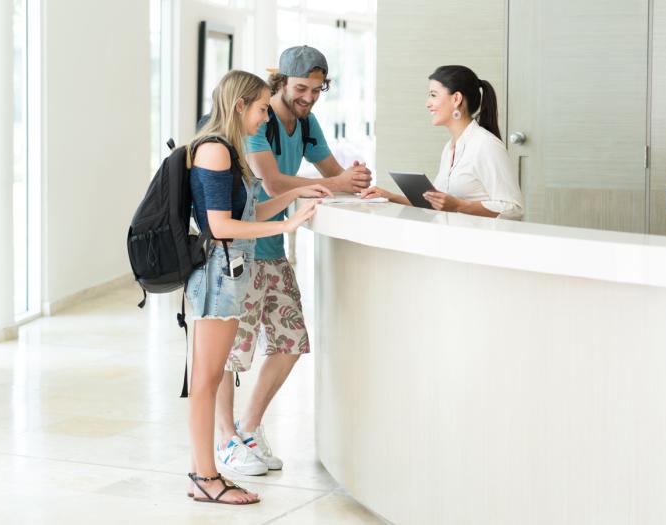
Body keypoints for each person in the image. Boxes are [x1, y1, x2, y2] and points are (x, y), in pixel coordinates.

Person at [212, 45, 368, 476]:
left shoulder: (306, 121)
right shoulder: (255, 120)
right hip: (240, 249)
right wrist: (332, 182)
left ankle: (248, 429)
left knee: (290, 341)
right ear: (279, 82)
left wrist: (353, 181)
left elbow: (332, 174)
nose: (310, 98)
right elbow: (272, 179)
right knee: (229, 353)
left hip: (273, 245)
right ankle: (225, 439)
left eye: (318, 90)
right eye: (302, 88)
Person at [184, 69, 329, 505]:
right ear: (239, 105)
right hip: (217, 275)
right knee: (206, 380)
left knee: (208, 377)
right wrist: (287, 223)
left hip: (229, 272)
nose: (267, 117)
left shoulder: (229, 151)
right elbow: (219, 225)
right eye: (263, 108)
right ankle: (205, 477)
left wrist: (294, 202)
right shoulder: (214, 151)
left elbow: (250, 209)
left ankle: (205, 475)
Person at [362, 65, 523, 219]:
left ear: (456, 99)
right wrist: (389, 197)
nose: (427, 103)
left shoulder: (486, 145)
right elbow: (436, 205)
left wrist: (459, 205)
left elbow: (513, 209)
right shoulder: (449, 148)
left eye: (433, 95)